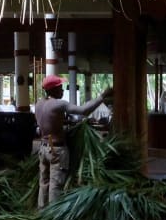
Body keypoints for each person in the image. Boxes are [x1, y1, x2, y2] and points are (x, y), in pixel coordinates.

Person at [34, 76, 111, 208]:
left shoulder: (39, 104)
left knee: (44, 183)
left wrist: (66, 124)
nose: (63, 90)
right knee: (56, 185)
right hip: (56, 151)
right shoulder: (59, 104)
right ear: (54, 89)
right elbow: (83, 111)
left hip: (43, 149)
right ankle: (53, 215)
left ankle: (42, 213)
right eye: (60, 87)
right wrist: (102, 96)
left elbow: (50, 122)